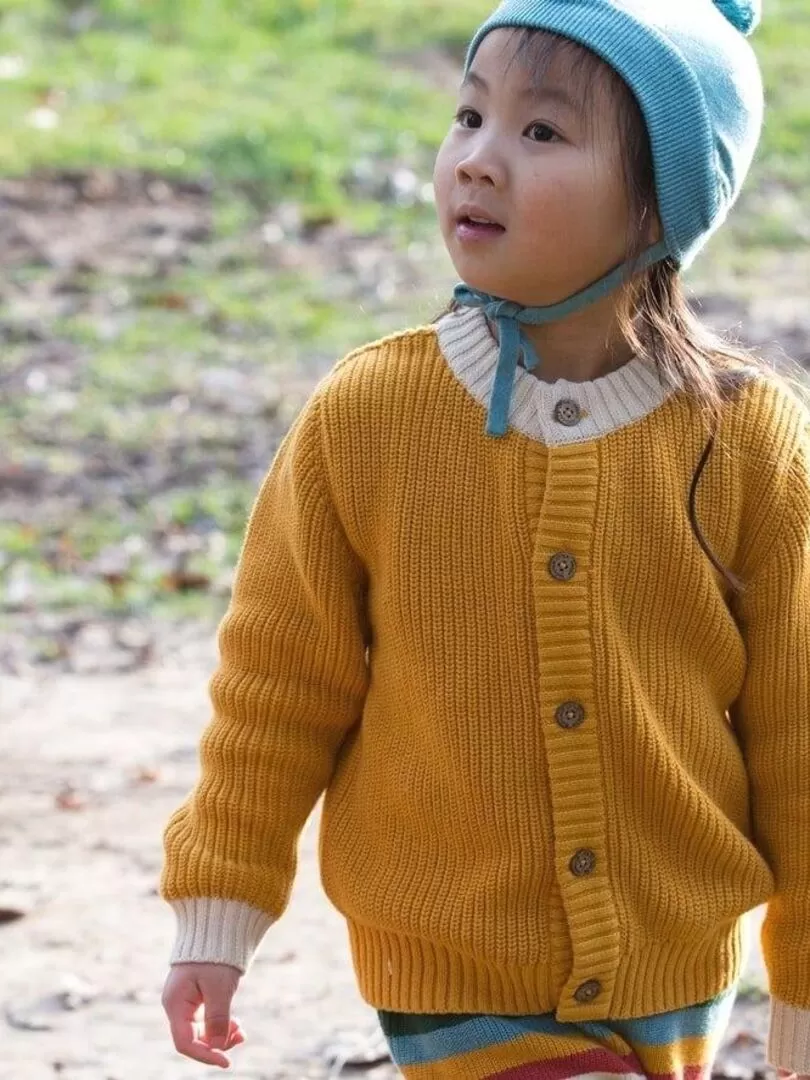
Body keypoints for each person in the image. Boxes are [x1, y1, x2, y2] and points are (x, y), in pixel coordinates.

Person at [159, 1, 810, 1077]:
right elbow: (280, 681)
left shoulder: (746, 442)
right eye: (468, 117)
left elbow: (797, 738)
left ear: (661, 205)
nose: (478, 161)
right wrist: (218, 911)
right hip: (450, 957)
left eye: (541, 132)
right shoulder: (368, 416)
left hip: (681, 958)